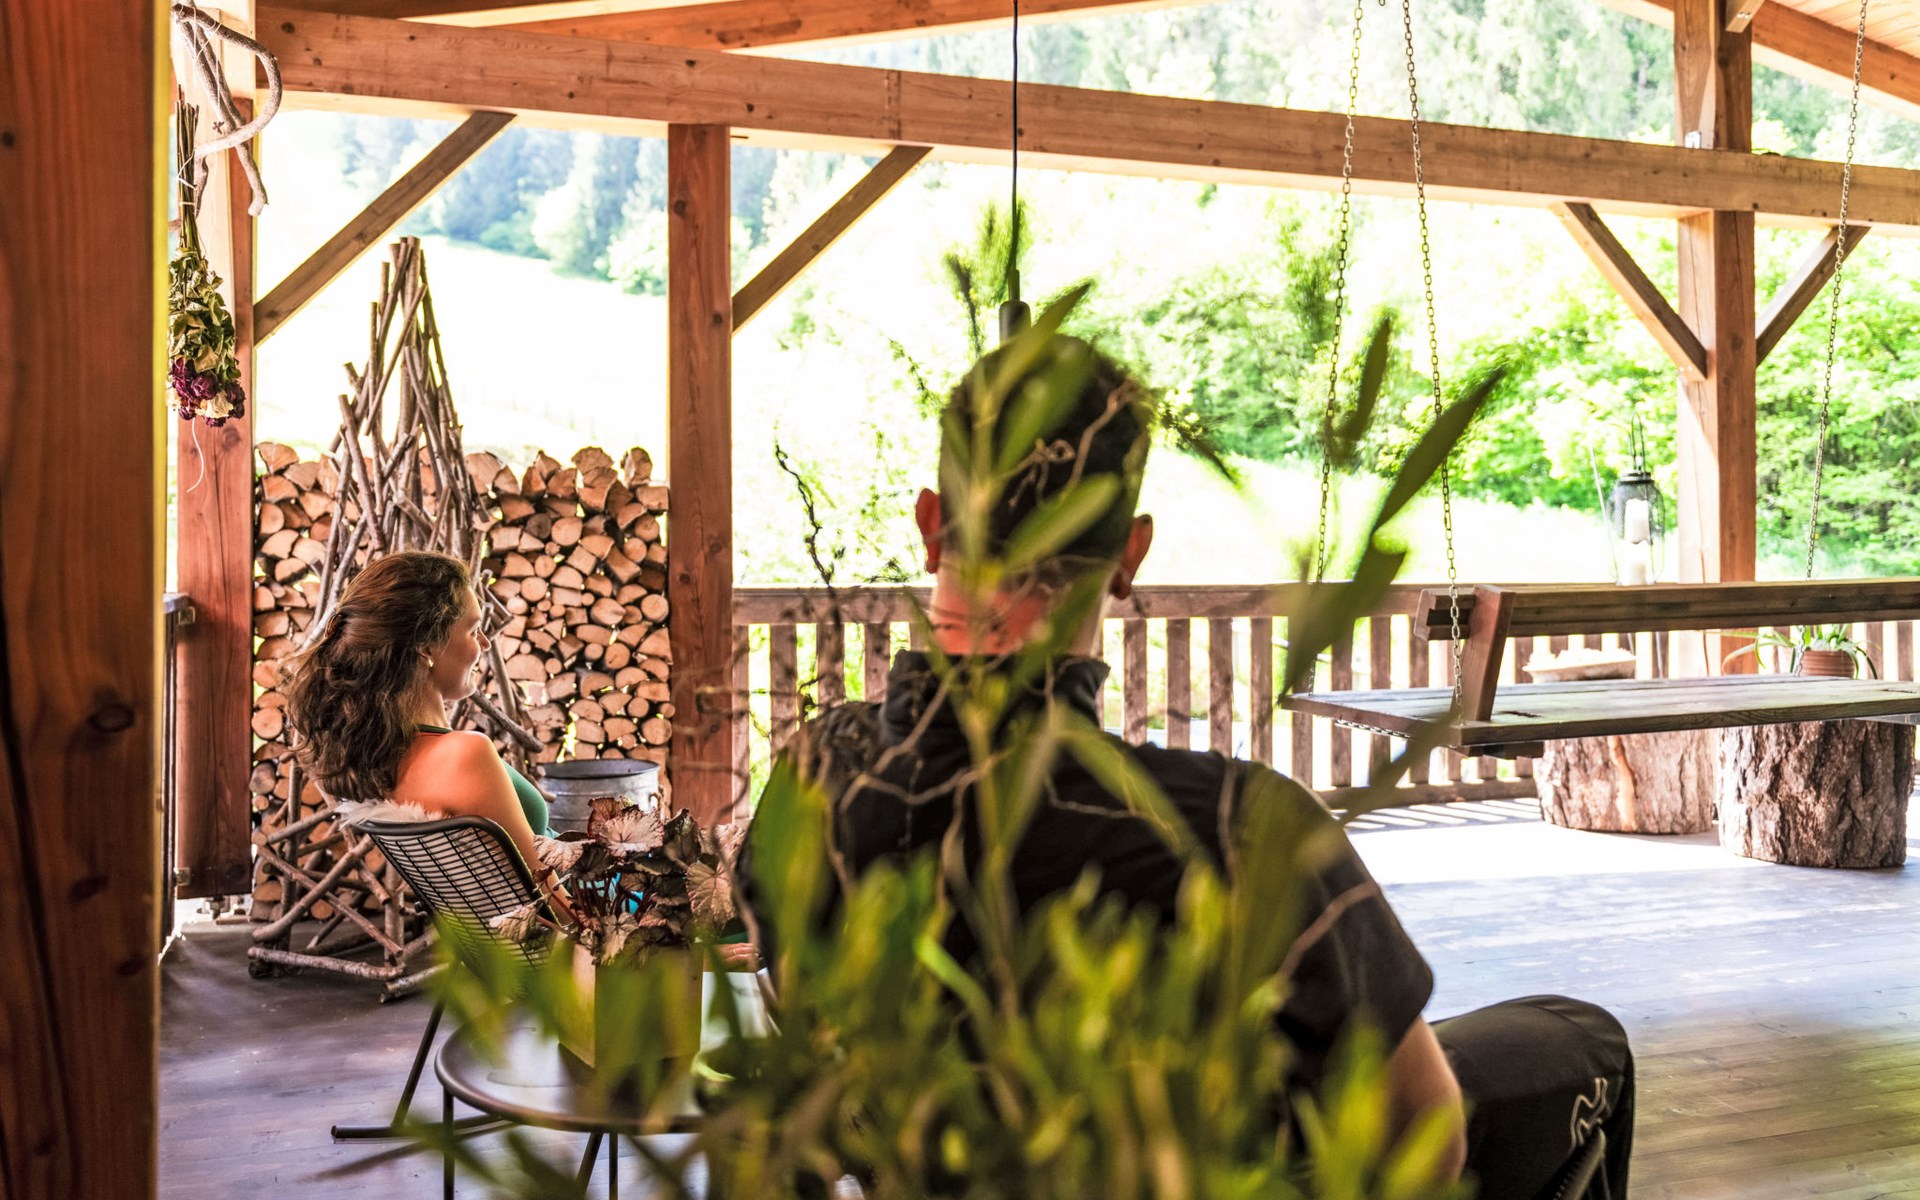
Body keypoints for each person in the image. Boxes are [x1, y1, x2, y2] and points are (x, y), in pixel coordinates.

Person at [739, 335, 1634, 1199]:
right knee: (1579, 1037)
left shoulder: (814, 778)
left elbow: (800, 1022)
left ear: (933, 527)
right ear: (1130, 555)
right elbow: (1424, 1137)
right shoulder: (1238, 829)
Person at [283, 550, 554, 875]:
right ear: (426, 647)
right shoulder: (464, 754)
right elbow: (547, 887)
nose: (484, 644)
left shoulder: (382, 759)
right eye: (472, 631)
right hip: (582, 900)